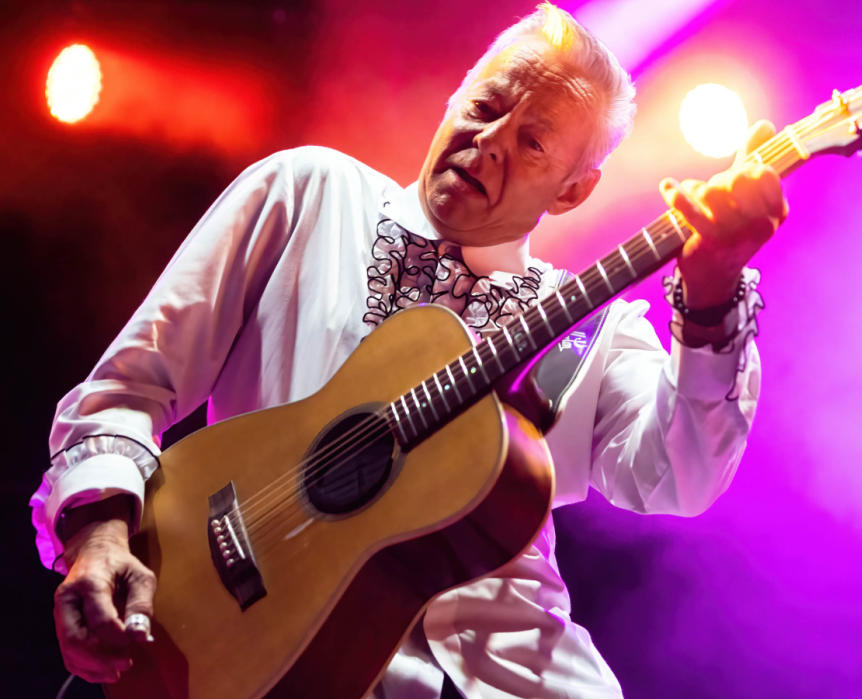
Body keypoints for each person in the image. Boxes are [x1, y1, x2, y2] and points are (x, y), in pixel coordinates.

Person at [30, 4, 787, 697]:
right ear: (454, 97)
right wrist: (98, 534)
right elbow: (126, 389)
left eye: (531, 142)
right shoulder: (307, 194)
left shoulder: (596, 333)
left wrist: (713, 289)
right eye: (486, 106)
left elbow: (680, 475)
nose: (488, 142)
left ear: (572, 191)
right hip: (247, 651)